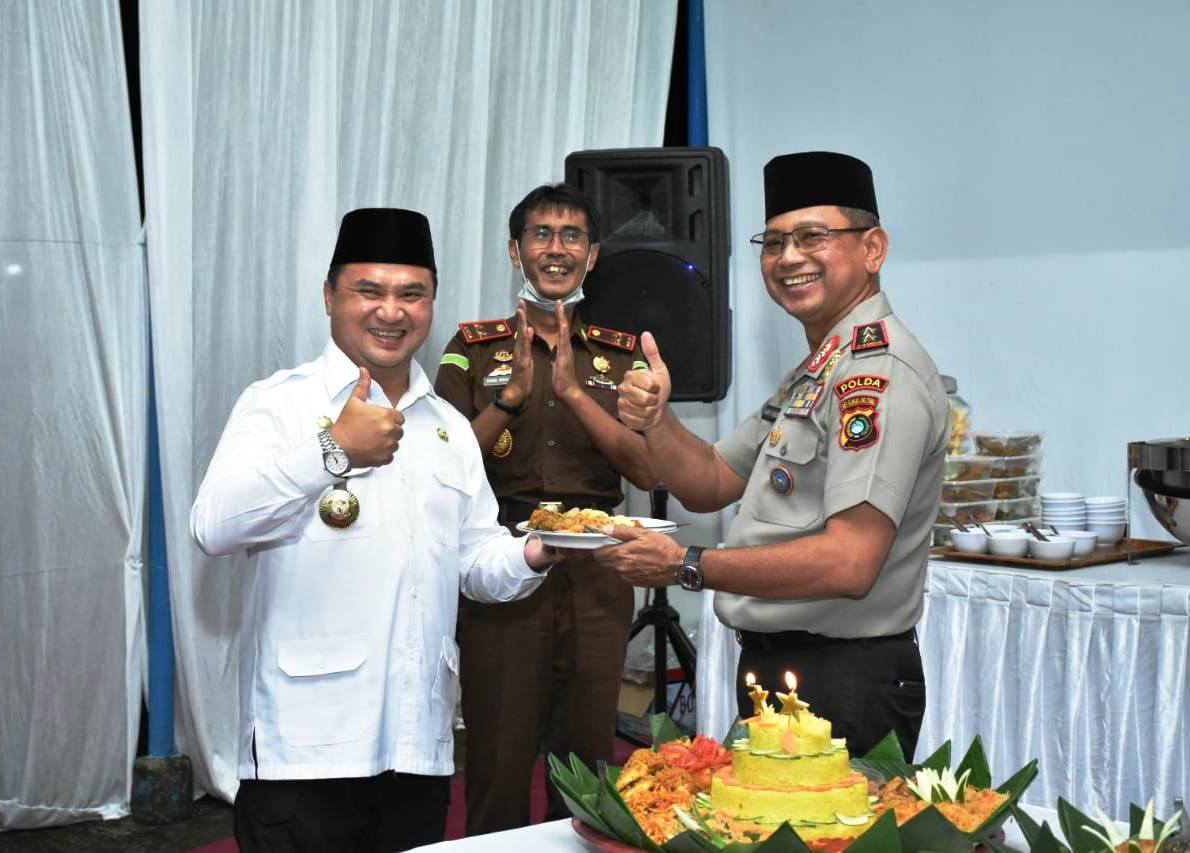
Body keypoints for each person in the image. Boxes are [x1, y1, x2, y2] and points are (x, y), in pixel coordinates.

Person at [190, 207, 561, 853]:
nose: (391, 310)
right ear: (330, 296)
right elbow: (214, 526)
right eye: (370, 290)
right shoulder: (279, 403)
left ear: (431, 303)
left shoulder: (446, 425)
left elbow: (475, 565)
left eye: (411, 293)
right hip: (306, 750)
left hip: (417, 748)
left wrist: (538, 549)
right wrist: (331, 451)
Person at [595, 152, 949, 761]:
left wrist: (688, 564)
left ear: (873, 249)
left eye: (813, 236)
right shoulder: (818, 370)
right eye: (774, 241)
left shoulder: (876, 374)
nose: (788, 258)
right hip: (783, 669)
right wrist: (658, 420)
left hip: (843, 679)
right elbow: (709, 481)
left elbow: (849, 562)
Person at [433, 183, 656, 833]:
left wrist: (576, 394)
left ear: (592, 256)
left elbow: (648, 468)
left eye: (571, 237)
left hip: (600, 569)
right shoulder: (473, 347)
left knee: (587, 754)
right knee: (499, 754)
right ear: (514, 250)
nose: (555, 249)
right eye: (540, 234)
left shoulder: (622, 354)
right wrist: (508, 400)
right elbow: (441, 469)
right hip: (499, 561)